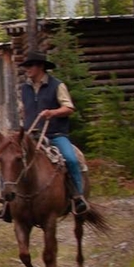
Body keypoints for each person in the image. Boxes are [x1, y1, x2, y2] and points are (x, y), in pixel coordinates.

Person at [18, 50, 90, 215]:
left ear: (41, 67)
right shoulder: (25, 88)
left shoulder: (57, 85)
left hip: (55, 134)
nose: (27, 69)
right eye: (26, 66)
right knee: (10, 158)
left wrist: (52, 113)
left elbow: (69, 108)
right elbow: (23, 110)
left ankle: (78, 196)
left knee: (71, 159)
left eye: (30, 66)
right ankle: (8, 201)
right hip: (31, 135)